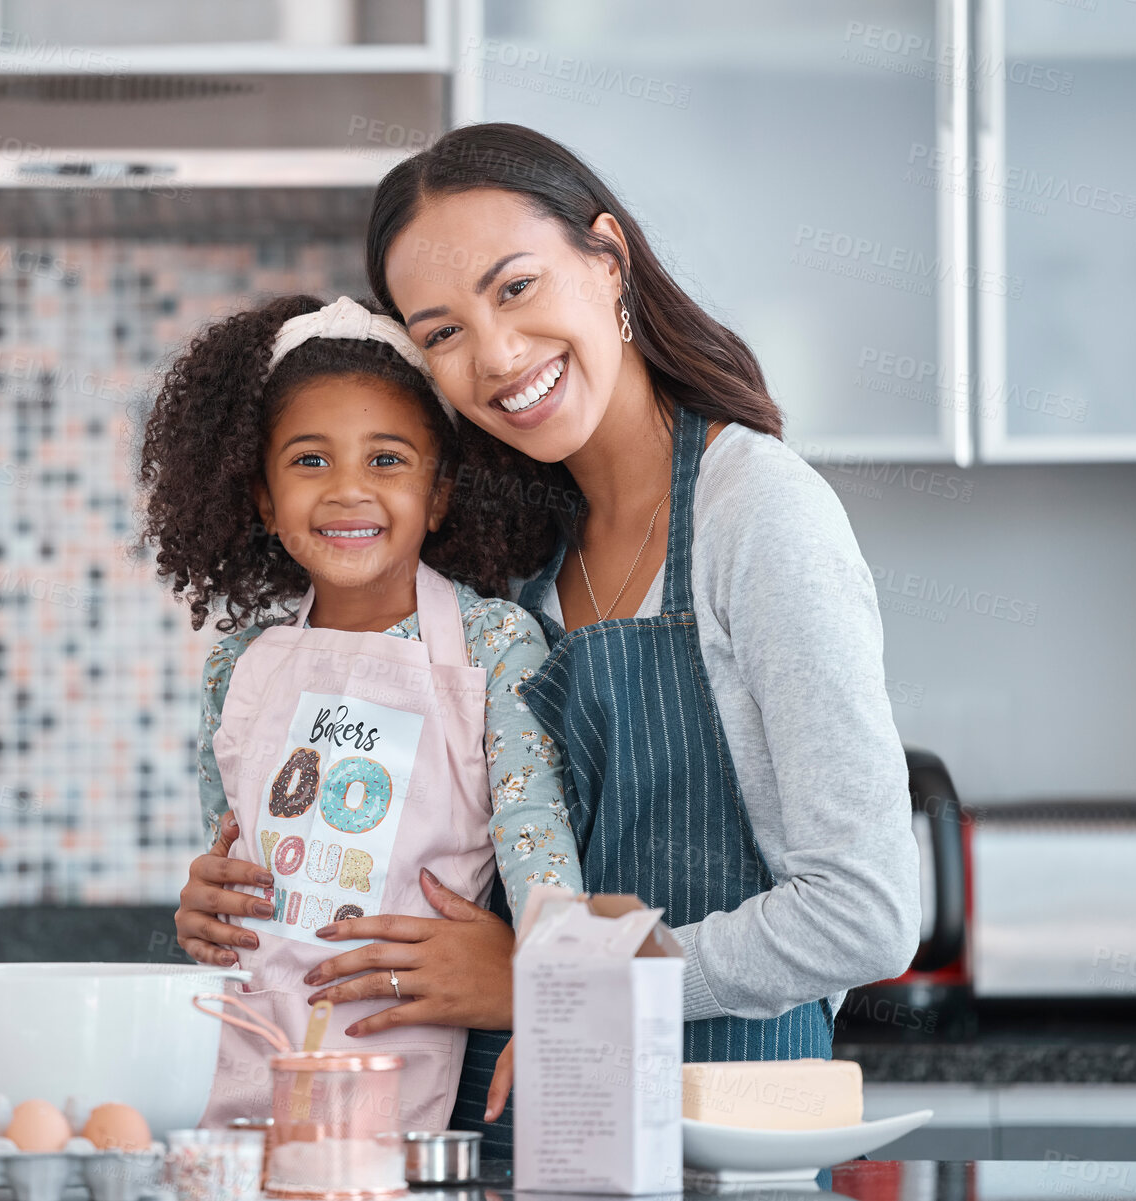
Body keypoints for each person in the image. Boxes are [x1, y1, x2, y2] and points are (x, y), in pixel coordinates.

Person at [173, 125, 922, 1154]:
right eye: (440, 332)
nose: (494, 355)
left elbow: (866, 915)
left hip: (718, 1127)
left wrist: (561, 981)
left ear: (606, 258)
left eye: (515, 287)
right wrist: (242, 888)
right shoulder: (512, 553)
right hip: (501, 1129)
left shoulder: (762, 519)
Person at [139, 293, 584, 1130]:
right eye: (309, 461)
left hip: (402, 1050)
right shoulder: (240, 664)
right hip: (243, 1051)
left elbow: (538, 846)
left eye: (386, 460)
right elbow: (235, 865)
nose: (348, 491)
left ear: (440, 492)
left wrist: (554, 993)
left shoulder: (491, 643)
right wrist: (202, 908)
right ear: (264, 499)